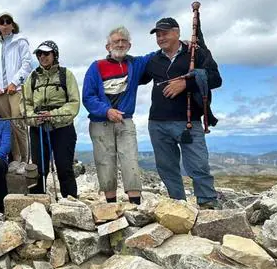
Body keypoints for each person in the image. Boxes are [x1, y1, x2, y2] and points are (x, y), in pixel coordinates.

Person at [140, 17, 222, 209]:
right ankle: (178, 207)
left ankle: (208, 204)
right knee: (167, 168)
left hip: (188, 122)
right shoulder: (153, 60)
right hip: (157, 123)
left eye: (165, 33)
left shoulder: (195, 53)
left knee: (198, 166)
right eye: (158, 35)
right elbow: (135, 78)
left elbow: (216, 79)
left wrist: (186, 83)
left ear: (177, 32)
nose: (161, 37)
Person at [82, 26, 156, 205]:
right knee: (104, 162)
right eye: (116, 41)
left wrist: (181, 44)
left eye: (124, 41)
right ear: (108, 46)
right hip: (101, 122)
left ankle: (135, 206)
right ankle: (111, 206)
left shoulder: (135, 64)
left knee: (130, 160)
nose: (120, 44)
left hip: (125, 121)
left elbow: (156, 55)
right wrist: (106, 111)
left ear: (129, 45)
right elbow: (88, 96)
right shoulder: (96, 66)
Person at [22, 41, 80, 198]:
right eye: (39, 54)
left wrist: (53, 115)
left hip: (63, 127)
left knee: (64, 166)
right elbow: (25, 104)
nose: (42, 56)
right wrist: (34, 119)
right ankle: (37, 204)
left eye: (46, 53)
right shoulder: (32, 78)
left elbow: (74, 103)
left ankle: (71, 203)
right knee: (38, 169)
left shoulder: (66, 75)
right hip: (38, 127)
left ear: (55, 55)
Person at [0, 12, 32, 163]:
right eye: (2, 22)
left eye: (8, 22)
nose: (5, 25)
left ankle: (26, 159)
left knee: (18, 123)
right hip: (0, 92)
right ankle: (16, 158)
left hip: (16, 89)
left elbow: (27, 65)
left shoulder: (21, 41)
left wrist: (15, 82)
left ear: (13, 25)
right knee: (7, 126)